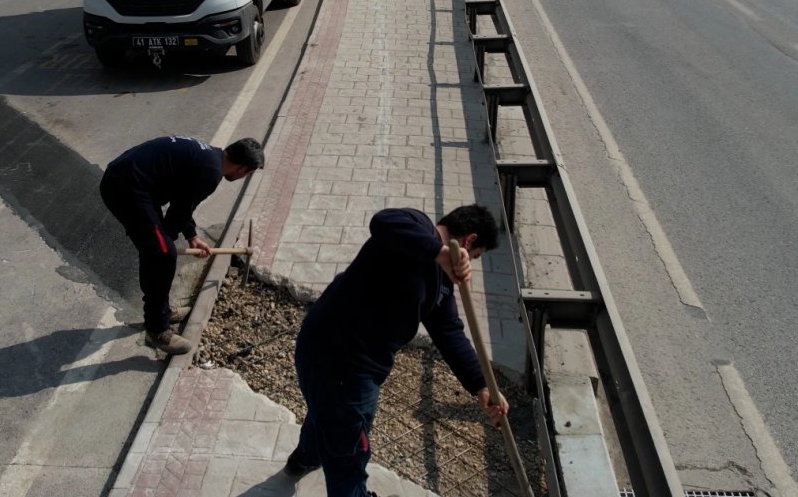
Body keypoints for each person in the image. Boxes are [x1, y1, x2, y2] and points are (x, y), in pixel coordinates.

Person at [285, 204, 509, 495]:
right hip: (346, 366)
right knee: (349, 453)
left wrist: (481, 384)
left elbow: (450, 333)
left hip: (326, 351)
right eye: (474, 256)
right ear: (468, 241)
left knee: (326, 411)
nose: (470, 263)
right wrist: (441, 253)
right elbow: (382, 221)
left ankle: (304, 458)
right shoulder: (414, 227)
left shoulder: (440, 284)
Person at [100, 136, 265, 355]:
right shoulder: (211, 172)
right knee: (163, 256)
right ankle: (157, 329)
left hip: (133, 182)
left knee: (159, 252)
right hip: (125, 188)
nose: (244, 177)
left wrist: (191, 235)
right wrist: (162, 247)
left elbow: (183, 200)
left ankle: (162, 310)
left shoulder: (209, 157)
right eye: (248, 174)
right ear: (243, 168)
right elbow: (178, 212)